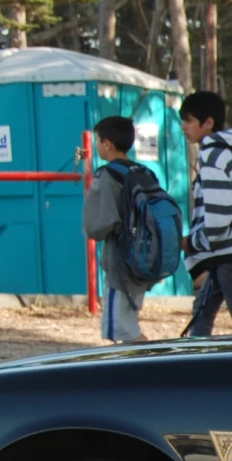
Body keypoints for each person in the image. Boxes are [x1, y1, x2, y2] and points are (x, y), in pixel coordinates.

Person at [178, 89, 232, 338]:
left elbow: (219, 214)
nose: (184, 127)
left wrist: (193, 242)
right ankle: (196, 362)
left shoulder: (213, 154)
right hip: (226, 251)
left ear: (208, 123)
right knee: (202, 312)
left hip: (228, 251)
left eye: (189, 120)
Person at [82, 115, 150, 344]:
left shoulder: (107, 175)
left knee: (118, 330)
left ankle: (152, 366)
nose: (97, 146)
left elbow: (96, 226)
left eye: (98, 141)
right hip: (143, 260)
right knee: (128, 324)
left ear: (107, 144)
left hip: (119, 265)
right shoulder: (143, 173)